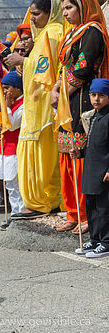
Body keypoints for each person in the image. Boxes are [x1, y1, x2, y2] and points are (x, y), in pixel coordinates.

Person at [52, 0, 109, 233]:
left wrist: (62, 92)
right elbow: (64, 67)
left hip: (84, 99)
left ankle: (86, 213)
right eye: (63, 9)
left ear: (83, 7)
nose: (65, 13)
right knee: (67, 156)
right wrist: (57, 88)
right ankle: (72, 211)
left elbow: (83, 67)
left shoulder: (92, 31)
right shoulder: (71, 34)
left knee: (81, 157)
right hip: (69, 101)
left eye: (70, 8)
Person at [4, 0, 63, 219]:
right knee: (32, 155)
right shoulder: (42, 36)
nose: (33, 19)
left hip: (46, 109)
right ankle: (39, 201)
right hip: (34, 108)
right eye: (31, 15)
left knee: (43, 157)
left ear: (51, 12)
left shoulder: (53, 33)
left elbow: (46, 70)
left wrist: (23, 61)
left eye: (37, 14)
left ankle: (44, 201)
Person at [71, 79, 109, 258]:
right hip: (91, 169)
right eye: (93, 95)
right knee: (91, 206)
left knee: (104, 208)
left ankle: (106, 242)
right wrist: (79, 153)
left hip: (104, 171)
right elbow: (93, 144)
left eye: (101, 95)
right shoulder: (94, 116)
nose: (96, 99)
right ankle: (94, 239)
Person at [0, 71, 26, 229]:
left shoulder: (22, 104)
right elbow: (1, 122)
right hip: (5, 148)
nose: (5, 91)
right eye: (3, 88)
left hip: (16, 149)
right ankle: (14, 213)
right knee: (9, 184)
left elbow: (13, 124)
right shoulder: (6, 102)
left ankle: (20, 213)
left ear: (17, 89)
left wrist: (7, 107)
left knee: (17, 183)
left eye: (7, 88)